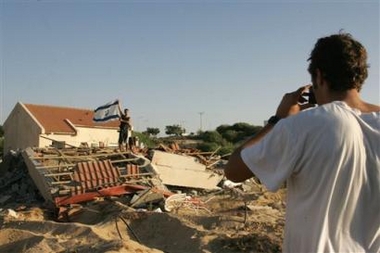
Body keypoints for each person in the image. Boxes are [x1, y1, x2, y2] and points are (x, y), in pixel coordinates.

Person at [224, 32, 380, 252]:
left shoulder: (304, 125)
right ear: (360, 76)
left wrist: (278, 120)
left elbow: (233, 171)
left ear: (318, 77)